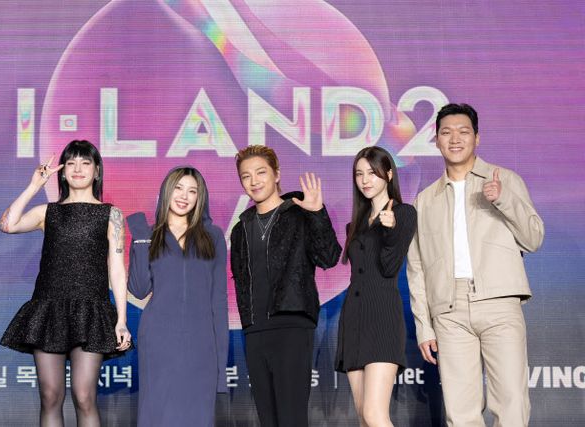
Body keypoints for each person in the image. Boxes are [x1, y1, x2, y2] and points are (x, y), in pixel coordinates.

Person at [407, 103, 544, 426]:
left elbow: (533, 238)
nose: (455, 139)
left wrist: (503, 200)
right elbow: (417, 267)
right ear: (436, 140)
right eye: (446, 132)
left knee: (511, 403)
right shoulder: (425, 200)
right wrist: (425, 326)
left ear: (477, 138)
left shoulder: (504, 180)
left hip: (499, 300)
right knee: (460, 410)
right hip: (449, 310)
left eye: (463, 131)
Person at [0, 139, 132, 426]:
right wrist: (34, 185)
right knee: (50, 396)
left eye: (85, 163)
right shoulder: (48, 212)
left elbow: (117, 270)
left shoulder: (111, 214)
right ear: (62, 171)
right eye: (71, 163)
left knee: (84, 397)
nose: (78, 169)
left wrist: (121, 320)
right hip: (49, 311)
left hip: (91, 311)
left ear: (97, 170)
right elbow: (8, 225)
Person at [230, 145, 341, 427]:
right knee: (268, 419)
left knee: (291, 418)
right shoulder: (241, 228)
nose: (254, 181)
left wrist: (317, 213)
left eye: (261, 172)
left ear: (277, 174)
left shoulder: (299, 213)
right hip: (254, 330)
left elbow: (329, 257)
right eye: (246, 176)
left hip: (292, 325)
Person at [127, 166, 228, 427]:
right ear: (166, 191)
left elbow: (218, 301)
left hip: (202, 344)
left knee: (198, 417)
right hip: (158, 341)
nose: (184, 196)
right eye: (178, 188)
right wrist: (141, 241)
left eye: (192, 191)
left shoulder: (213, 236)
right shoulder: (149, 234)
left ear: (200, 198)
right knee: (157, 416)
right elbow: (138, 289)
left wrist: (221, 371)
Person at [335, 147, 416, 427]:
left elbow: (390, 267)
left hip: (382, 319)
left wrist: (390, 231)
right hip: (354, 319)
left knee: (374, 414)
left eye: (372, 172)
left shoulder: (403, 213)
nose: (365, 180)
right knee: (363, 418)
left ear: (389, 174)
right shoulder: (354, 225)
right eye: (359, 174)